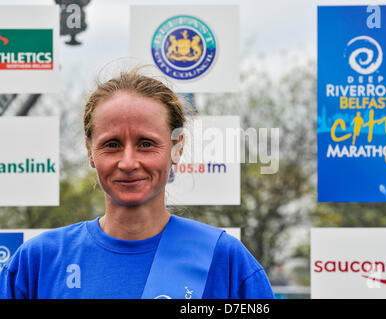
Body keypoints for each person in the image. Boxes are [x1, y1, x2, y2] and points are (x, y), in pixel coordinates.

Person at [0, 66, 274, 299]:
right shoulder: (38, 262)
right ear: (90, 151)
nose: (128, 162)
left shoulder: (224, 259)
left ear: (177, 148)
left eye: (146, 143)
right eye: (112, 144)